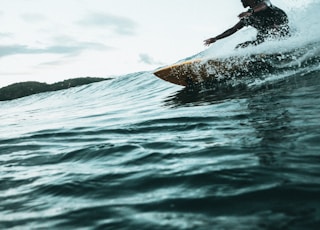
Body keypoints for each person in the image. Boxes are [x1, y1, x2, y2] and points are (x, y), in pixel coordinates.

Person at [204, 0, 290, 48]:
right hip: (266, 31)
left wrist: (250, 12)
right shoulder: (249, 18)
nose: (241, 1)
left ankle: (285, 44)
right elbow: (232, 30)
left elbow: (265, 5)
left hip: (279, 23)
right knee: (241, 46)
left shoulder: (263, 3)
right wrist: (215, 38)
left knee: (274, 29)